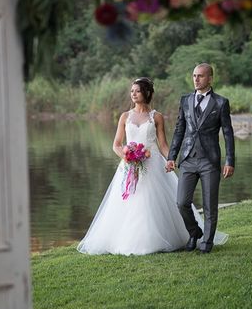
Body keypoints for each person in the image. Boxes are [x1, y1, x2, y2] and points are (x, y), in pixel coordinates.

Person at [77, 77, 227, 255]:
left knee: (156, 201)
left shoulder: (156, 117)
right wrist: (126, 156)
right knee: (129, 201)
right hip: (129, 166)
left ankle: (172, 236)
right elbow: (116, 144)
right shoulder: (125, 116)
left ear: (146, 93)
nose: (133, 94)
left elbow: (162, 144)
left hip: (153, 163)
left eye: (137, 91)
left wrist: (171, 159)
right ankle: (127, 240)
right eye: (131, 91)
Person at [166, 63, 235, 254]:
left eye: (201, 76)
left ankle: (207, 242)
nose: (196, 79)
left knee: (210, 205)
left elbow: (228, 133)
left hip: (209, 161)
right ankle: (195, 232)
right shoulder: (185, 100)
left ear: (210, 79)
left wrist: (230, 160)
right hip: (187, 159)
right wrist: (172, 156)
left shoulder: (221, 103)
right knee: (181, 202)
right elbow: (179, 130)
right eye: (194, 75)